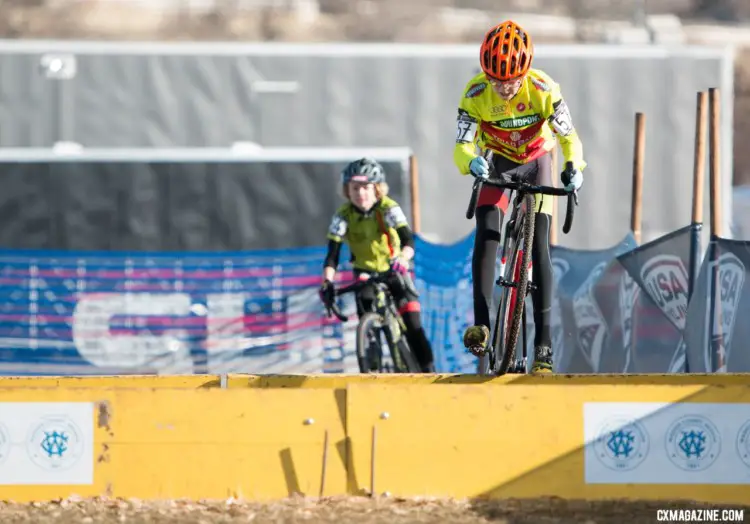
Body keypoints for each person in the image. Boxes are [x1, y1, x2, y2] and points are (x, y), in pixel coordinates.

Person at [454, 19, 586, 374]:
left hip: (538, 161)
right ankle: (481, 324)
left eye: (511, 81)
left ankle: (543, 344)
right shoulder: (475, 94)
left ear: (524, 73)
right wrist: (471, 163)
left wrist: (574, 167)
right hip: (497, 162)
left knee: (540, 243)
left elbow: (570, 139)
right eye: (497, 81)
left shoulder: (544, 89)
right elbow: (462, 146)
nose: (505, 88)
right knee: (487, 232)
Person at [318, 157, 436, 373]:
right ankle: (371, 372)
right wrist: (327, 282)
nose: (360, 193)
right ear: (347, 190)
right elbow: (332, 255)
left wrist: (403, 257)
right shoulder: (343, 216)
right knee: (368, 329)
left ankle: (430, 374)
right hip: (364, 275)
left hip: (394, 270)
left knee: (413, 326)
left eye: (365, 187)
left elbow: (408, 239)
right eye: (355, 188)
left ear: (376, 189)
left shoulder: (388, 207)